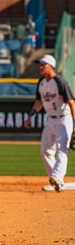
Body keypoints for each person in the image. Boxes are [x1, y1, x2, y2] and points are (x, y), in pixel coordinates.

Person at [24, 54, 75, 192]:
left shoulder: (60, 82)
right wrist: (31, 116)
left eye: (43, 65)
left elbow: (71, 102)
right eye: (39, 65)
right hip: (50, 120)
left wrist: (74, 125)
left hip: (64, 119)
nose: (40, 67)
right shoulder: (41, 82)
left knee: (62, 150)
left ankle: (57, 177)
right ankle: (56, 181)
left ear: (50, 66)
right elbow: (39, 102)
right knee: (45, 151)